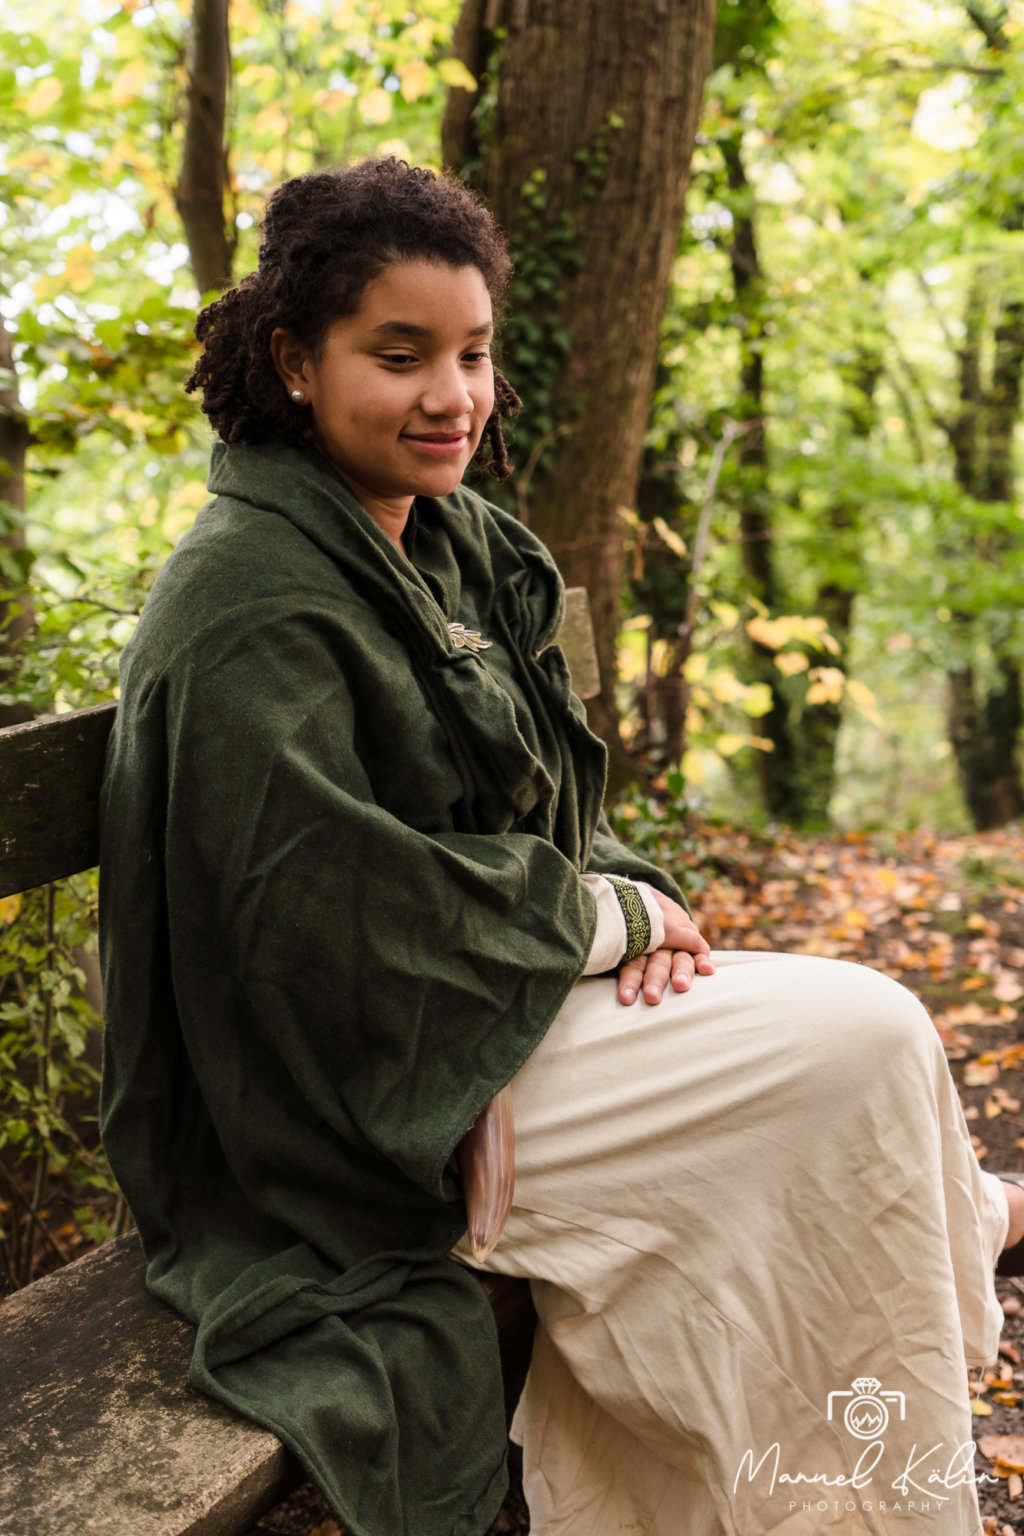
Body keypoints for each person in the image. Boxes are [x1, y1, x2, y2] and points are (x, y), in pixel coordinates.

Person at [98, 156, 1024, 1536]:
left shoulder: (454, 540)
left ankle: (825, 1465)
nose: (452, 394)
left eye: (470, 353)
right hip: (355, 1092)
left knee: (860, 1052)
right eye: (397, 356)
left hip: (490, 1002)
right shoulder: (247, 598)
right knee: (868, 1041)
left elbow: (559, 806)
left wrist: (625, 899)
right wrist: (609, 926)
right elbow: (319, 919)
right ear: (294, 361)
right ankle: (920, 1334)